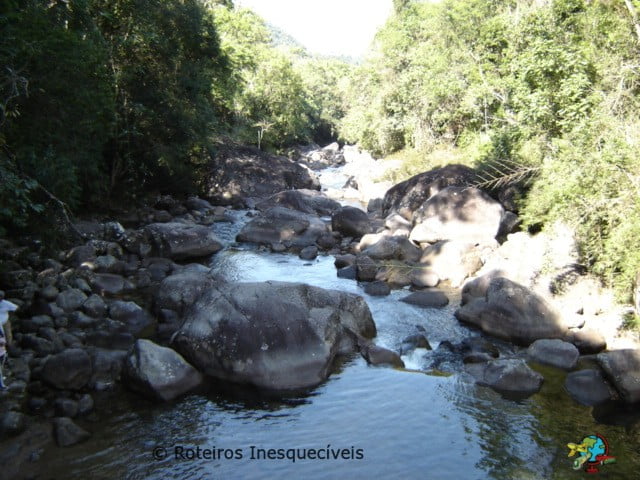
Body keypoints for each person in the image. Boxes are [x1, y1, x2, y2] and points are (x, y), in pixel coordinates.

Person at [0, 291, 18, 390]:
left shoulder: (6, 304)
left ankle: (8, 351)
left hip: (4, 323)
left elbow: (15, 308)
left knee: (8, 338)